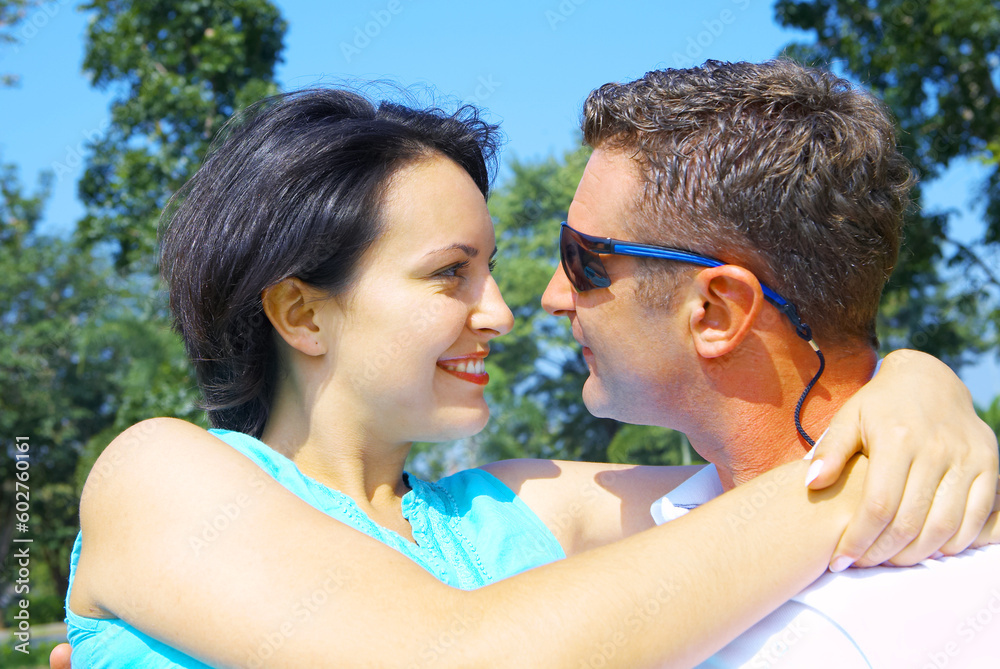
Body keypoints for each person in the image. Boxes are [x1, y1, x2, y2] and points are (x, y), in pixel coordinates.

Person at [54, 87, 997, 668]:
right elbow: (452, 655)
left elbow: (768, 463)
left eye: (494, 266)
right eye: (447, 273)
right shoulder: (158, 477)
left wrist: (916, 383)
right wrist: (862, 485)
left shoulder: (519, 508)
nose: (503, 310)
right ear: (302, 311)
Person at [537, 59, 1000, 667]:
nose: (551, 297)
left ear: (716, 312)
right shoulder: (679, 518)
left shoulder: (868, 633)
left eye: (582, 259)